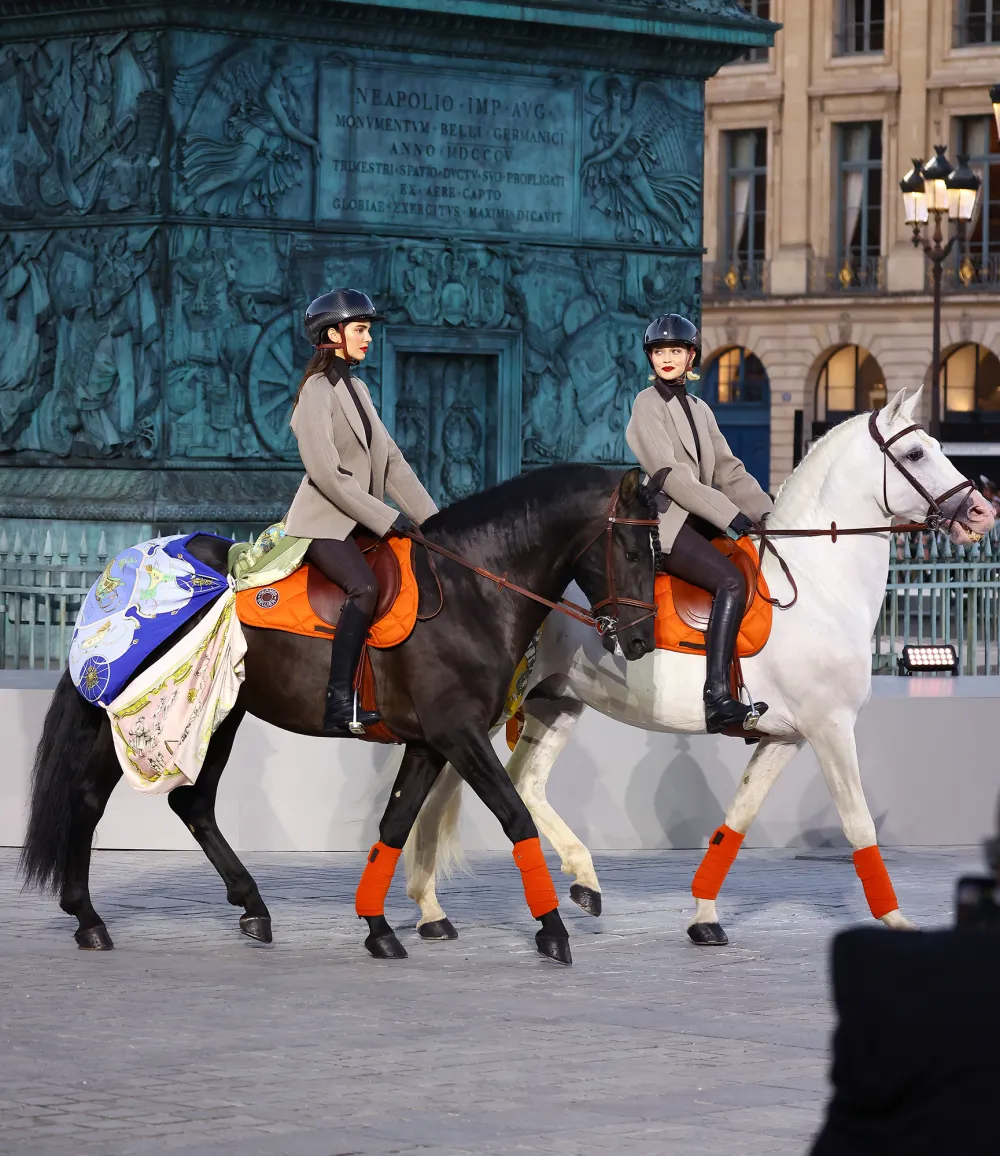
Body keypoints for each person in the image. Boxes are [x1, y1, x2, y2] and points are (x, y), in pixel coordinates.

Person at [285, 288, 437, 734]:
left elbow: (391, 462)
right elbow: (328, 475)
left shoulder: (358, 388)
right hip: (322, 524)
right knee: (364, 589)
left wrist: (435, 523)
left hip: (358, 523)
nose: (369, 338)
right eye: (360, 330)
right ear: (333, 333)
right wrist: (389, 519)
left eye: (368, 330)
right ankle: (338, 701)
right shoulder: (316, 391)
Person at [626, 314, 774, 733]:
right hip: (668, 525)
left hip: (702, 522)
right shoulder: (645, 405)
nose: (667, 358)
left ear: (691, 356)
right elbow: (671, 475)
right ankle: (717, 698)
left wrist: (767, 514)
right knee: (730, 581)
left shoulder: (700, 408)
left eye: (675, 350)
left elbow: (729, 470)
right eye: (659, 351)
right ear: (650, 358)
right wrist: (730, 516)